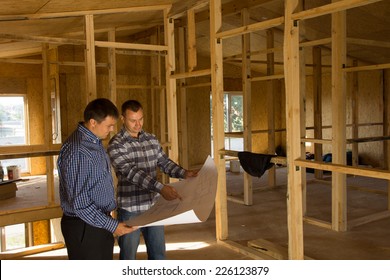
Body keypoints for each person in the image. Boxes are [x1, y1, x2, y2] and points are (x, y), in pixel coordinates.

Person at [108, 99, 198, 260]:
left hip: (153, 206)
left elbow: (164, 162)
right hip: (130, 209)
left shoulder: (151, 139)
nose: (138, 124)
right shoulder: (116, 144)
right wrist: (161, 188)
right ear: (123, 119)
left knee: (158, 255)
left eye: (141, 119)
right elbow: (131, 172)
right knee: (128, 257)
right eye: (133, 120)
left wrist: (184, 173)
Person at [58, 98, 137, 260]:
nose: (113, 129)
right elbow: (80, 204)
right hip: (84, 226)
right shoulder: (78, 150)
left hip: (97, 221)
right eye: (109, 125)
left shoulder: (93, 141)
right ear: (93, 122)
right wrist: (113, 225)